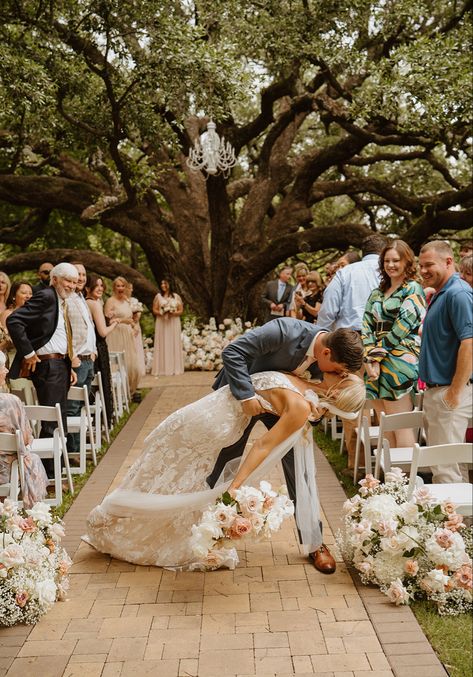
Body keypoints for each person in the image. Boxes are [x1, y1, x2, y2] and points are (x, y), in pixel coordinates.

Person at [84, 368, 365, 569]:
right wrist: (237, 484)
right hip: (212, 428)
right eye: (344, 371)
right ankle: (117, 516)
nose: (341, 372)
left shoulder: (299, 380)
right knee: (177, 477)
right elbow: (262, 447)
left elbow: (268, 433)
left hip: (197, 415)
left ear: (337, 388)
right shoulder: (303, 400)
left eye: (344, 375)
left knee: (164, 471)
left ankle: (111, 513)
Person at [207, 319, 364, 573]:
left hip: (284, 405)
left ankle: (314, 542)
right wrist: (246, 396)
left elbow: (321, 393)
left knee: (300, 469)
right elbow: (232, 352)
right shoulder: (284, 331)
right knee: (226, 460)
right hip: (243, 393)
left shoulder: (328, 363)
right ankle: (212, 531)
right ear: (326, 353)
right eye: (337, 370)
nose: (337, 377)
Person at [317, 233, 386, 469]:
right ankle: (387, 466)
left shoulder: (346, 273)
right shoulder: (391, 272)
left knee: (354, 402)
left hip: (351, 343)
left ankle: (357, 463)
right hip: (385, 342)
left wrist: (322, 341)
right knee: (384, 402)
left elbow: (328, 311)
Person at [6, 262, 78, 476]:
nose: (72, 286)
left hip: (59, 364)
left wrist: (68, 363)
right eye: (68, 281)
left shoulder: (60, 300)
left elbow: (59, 335)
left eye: (75, 282)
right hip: (48, 365)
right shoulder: (47, 295)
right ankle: (48, 476)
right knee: (51, 421)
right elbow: (14, 320)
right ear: (54, 279)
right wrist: (28, 353)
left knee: (59, 418)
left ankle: (57, 471)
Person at [362, 240, 426, 448]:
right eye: (386, 261)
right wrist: (371, 359)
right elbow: (366, 325)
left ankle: (403, 479)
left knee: (400, 426)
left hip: (399, 361)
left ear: (407, 261)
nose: (390, 265)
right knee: (384, 425)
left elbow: (402, 327)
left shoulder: (413, 289)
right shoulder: (377, 293)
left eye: (396, 260)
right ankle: (389, 479)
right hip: (374, 365)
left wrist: (376, 358)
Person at [418, 240, 473, 484]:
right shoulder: (442, 293)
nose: (423, 270)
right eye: (421, 266)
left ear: (448, 261)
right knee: (450, 465)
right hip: (436, 391)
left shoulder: (458, 293)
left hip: (449, 393)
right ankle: (462, 521)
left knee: (444, 469)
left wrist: (454, 393)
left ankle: (447, 523)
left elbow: (469, 343)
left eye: (429, 264)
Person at [0, 351, 48, 508]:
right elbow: (26, 439)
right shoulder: (11, 402)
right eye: (3, 367)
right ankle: (35, 514)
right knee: (32, 459)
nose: (7, 371)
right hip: (5, 472)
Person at [66, 262, 98, 453]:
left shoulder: (81, 298)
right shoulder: (66, 300)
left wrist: (93, 350)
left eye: (84, 274)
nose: (81, 277)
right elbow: (64, 330)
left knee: (83, 404)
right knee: (72, 407)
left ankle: (80, 447)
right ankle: (73, 451)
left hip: (89, 359)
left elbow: (89, 328)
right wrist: (71, 357)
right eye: (77, 274)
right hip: (77, 360)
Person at [85, 274, 119, 425]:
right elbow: (103, 332)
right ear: (88, 288)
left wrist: (106, 317)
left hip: (95, 347)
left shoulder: (88, 302)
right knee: (101, 384)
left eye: (101, 285)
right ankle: (102, 420)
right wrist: (114, 324)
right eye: (96, 285)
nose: (99, 288)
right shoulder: (94, 303)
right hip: (99, 346)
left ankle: (97, 421)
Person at [104, 276, 141, 395]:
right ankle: (117, 394)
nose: (120, 288)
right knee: (117, 365)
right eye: (118, 286)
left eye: (122, 286)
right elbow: (108, 321)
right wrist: (123, 320)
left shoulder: (127, 300)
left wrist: (134, 326)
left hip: (127, 335)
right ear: (114, 287)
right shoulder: (110, 301)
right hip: (116, 335)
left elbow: (131, 318)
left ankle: (130, 391)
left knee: (132, 365)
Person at [151, 279, 184, 376]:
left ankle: (175, 367)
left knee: (173, 341)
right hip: (162, 322)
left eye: (165, 283)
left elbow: (181, 310)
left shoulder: (176, 297)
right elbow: (155, 309)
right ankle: (162, 369)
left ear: (170, 284)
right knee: (163, 342)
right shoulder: (158, 296)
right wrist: (162, 312)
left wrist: (172, 312)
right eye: (161, 283)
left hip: (174, 322)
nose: (163, 285)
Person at [0, 281, 33, 356]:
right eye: (24, 293)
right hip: (12, 355)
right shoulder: (7, 314)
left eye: (30, 293)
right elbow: (6, 340)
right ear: (13, 296)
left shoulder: (34, 314)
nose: (28, 296)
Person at [126, 282, 146, 379]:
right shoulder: (123, 301)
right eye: (129, 288)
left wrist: (136, 318)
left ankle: (139, 369)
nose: (131, 290)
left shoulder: (134, 300)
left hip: (136, 325)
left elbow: (139, 313)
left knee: (137, 346)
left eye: (132, 288)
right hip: (127, 325)